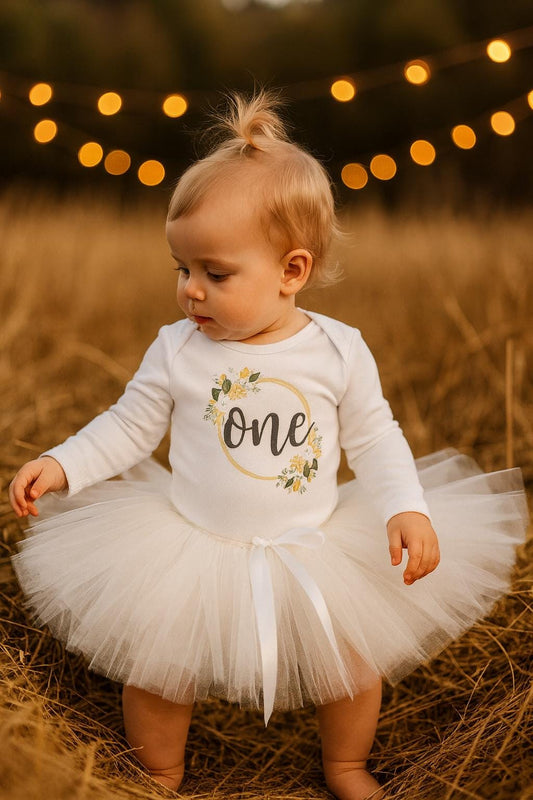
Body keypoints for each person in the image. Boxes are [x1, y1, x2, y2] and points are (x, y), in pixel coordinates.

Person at [9, 91, 528, 800]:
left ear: (292, 271)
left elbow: (375, 435)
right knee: (160, 667)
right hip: (191, 540)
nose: (191, 292)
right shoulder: (178, 349)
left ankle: (345, 765)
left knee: (352, 662)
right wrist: (63, 462)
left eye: (215, 274)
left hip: (315, 542)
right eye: (181, 269)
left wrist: (404, 506)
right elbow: (129, 424)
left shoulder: (336, 350)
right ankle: (158, 772)